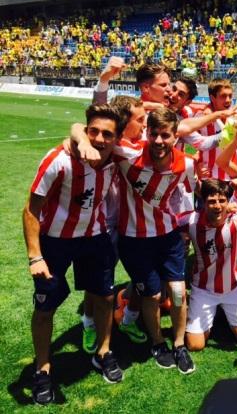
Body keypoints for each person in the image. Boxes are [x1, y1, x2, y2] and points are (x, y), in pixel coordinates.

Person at [72, 107, 197, 372]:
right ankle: (157, 342)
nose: (159, 141)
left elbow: (185, 197)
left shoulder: (186, 164)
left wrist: (184, 228)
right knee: (151, 294)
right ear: (147, 134)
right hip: (135, 240)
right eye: (154, 134)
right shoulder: (128, 155)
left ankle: (179, 344)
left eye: (166, 135)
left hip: (169, 237)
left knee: (176, 292)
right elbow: (81, 132)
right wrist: (81, 140)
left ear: (176, 136)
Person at [24, 104, 126, 404]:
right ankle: (42, 369)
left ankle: (103, 351)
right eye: (92, 130)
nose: (99, 138)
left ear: (116, 139)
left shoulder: (115, 161)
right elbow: (31, 210)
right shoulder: (59, 160)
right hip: (54, 242)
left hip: (94, 237)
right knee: (46, 307)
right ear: (85, 130)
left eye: (107, 134)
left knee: (105, 296)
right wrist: (35, 255)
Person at [181, 178, 237, 352]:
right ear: (203, 202)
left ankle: (219, 313)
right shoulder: (191, 221)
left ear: (228, 201)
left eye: (222, 201)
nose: (217, 206)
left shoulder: (236, 218)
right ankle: (206, 313)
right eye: (212, 201)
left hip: (232, 289)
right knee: (195, 345)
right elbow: (166, 224)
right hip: (203, 290)